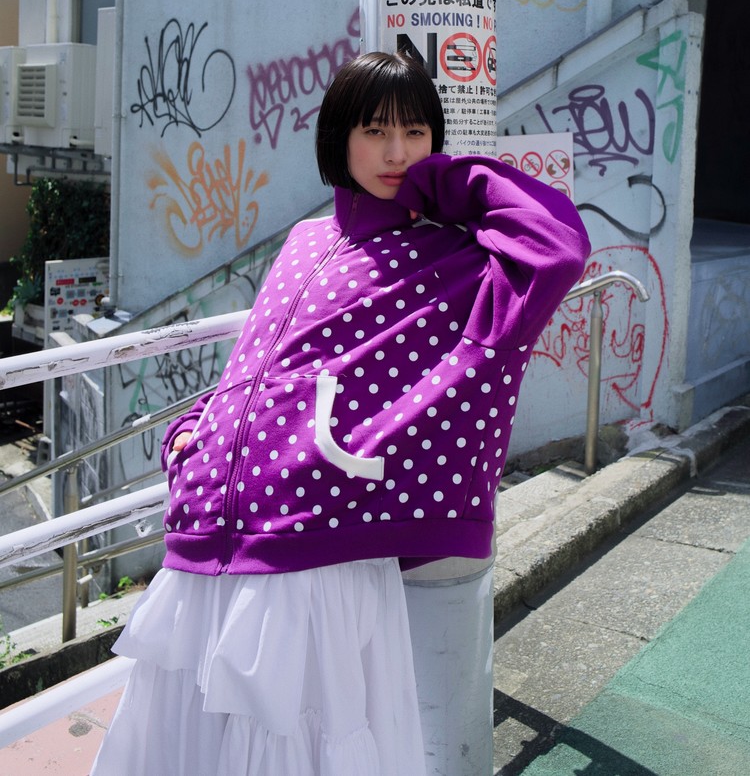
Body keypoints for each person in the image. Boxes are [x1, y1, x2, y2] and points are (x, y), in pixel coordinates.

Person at [91, 51, 590, 776]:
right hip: (209, 531)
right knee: (188, 737)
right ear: (339, 138)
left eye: (415, 132)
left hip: (324, 535)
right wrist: (194, 433)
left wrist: (445, 181)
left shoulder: (454, 256)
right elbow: (262, 359)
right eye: (375, 131)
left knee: (298, 736)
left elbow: (556, 245)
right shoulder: (304, 240)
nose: (396, 152)